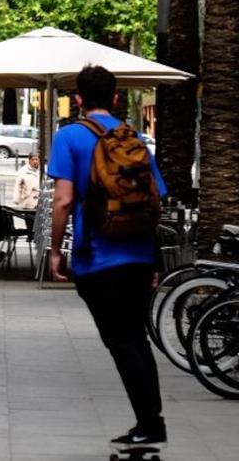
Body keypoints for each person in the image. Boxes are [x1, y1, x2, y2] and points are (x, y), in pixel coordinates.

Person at [48, 65, 167, 452]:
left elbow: (64, 200)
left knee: (121, 341)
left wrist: (54, 251)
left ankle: (149, 423)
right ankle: (151, 419)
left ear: (78, 99)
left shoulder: (70, 137)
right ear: (116, 97)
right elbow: (156, 200)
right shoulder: (132, 138)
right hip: (138, 255)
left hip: (98, 257)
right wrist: (152, 259)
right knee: (136, 338)